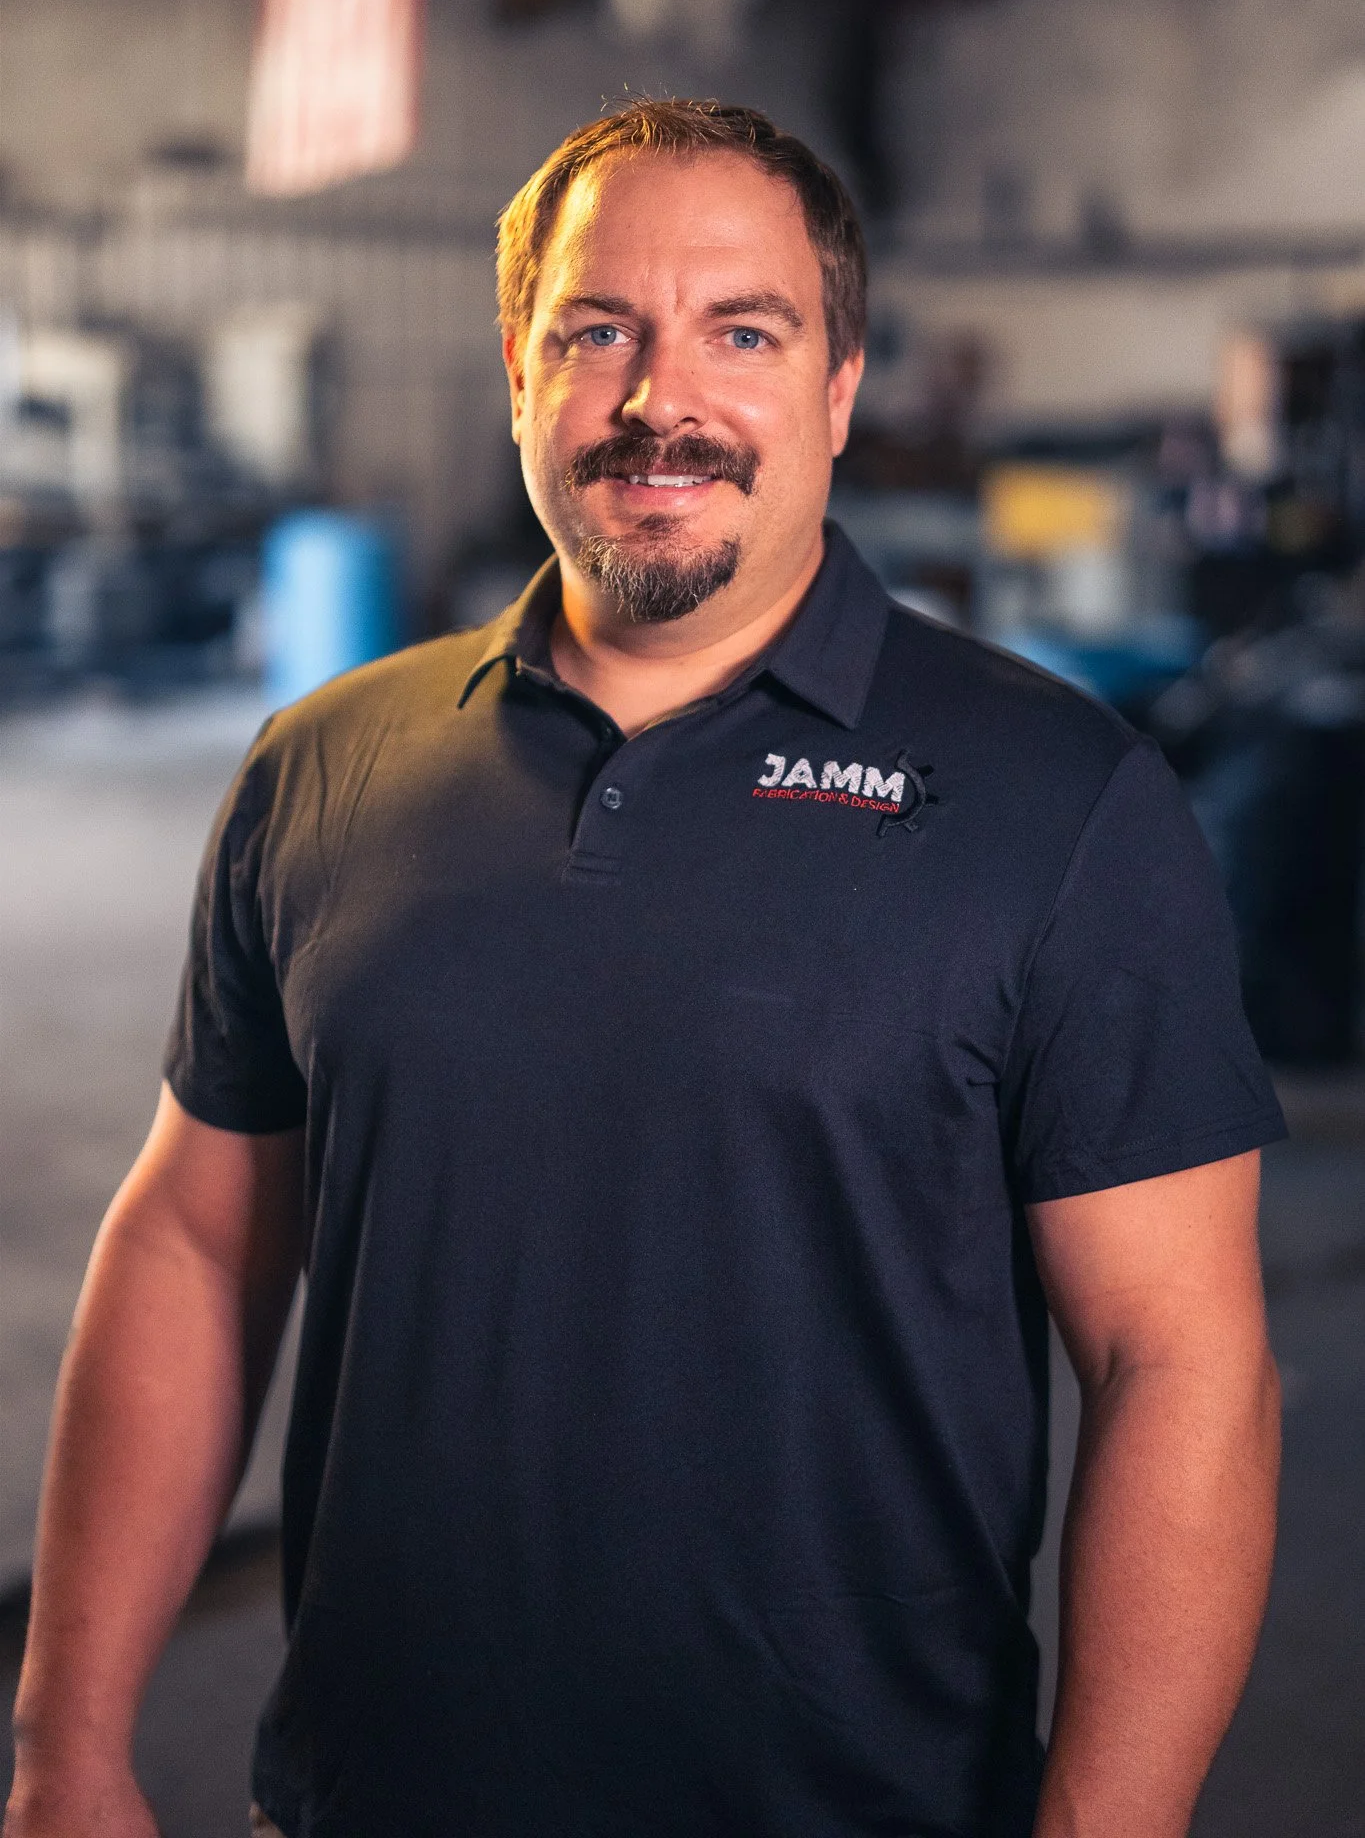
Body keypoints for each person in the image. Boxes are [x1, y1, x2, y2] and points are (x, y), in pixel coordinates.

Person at [5, 100, 1283, 1838]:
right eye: (597, 331)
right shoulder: (324, 769)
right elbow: (194, 1240)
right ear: (520, 376)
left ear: (837, 392)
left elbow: (1180, 1362)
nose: (658, 399)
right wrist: (66, 1746)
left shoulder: (1058, 802)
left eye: (741, 333)